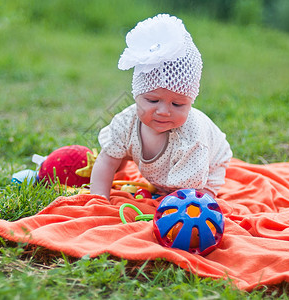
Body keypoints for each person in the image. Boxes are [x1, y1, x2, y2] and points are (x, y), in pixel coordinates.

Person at [90, 14, 232, 200]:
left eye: (177, 104)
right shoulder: (126, 122)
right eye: (152, 101)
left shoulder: (192, 139)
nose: (164, 111)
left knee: (197, 202)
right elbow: (106, 161)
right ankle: (160, 186)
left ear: (190, 101)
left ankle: (192, 195)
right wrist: (98, 198)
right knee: (116, 153)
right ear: (137, 95)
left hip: (205, 170)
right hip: (161, 172)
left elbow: (187, 191)